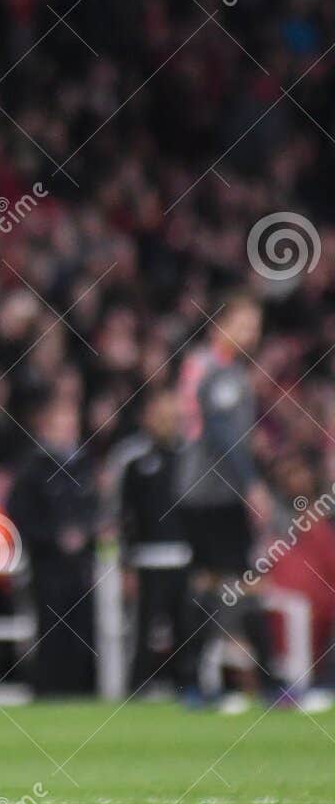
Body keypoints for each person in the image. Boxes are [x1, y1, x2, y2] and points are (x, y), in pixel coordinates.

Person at [174, 292, 276, 707]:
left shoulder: (209, 366)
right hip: (213, 489)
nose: (252, 334)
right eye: (246, 324)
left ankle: (197, 683)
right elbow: (220, 433)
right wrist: (251, 482)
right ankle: (270, 680)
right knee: (243, 579)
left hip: (201, 489)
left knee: (209, 580)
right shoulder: (217, 371)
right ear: (222, 324)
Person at [7, 397, 98, 696]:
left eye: (71, 424)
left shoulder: (85, 465)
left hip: (80, 565)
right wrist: (53, 537)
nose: (67, 430)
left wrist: (86, 533)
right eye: (61, 424)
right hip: (47, 563)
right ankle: (48, 690)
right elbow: (21, 514)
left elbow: (96, 509)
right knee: (51, 628)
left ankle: (81, 689)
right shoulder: (33, 468)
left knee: (82, 627)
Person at [114, 390, 191, 693]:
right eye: (161, 417)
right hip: (148, 559)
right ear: (147, 418)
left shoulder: (190, 457)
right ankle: (136, 689)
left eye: (172, 417)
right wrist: (126, 564)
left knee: (186, 628)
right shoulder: (134, 460)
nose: (167, 423)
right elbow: (124, 517)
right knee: (144, 631)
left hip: (184, 557)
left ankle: (190, 687)